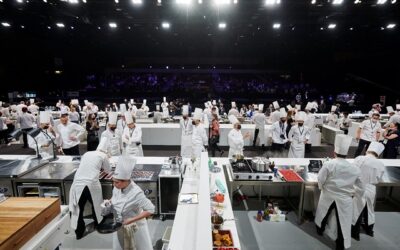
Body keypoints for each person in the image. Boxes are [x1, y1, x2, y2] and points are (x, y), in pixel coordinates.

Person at [315, 134, 364, 250]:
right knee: (344, 222)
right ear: (346, 154)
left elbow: (320, 178)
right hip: (345, 198)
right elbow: (360, 185)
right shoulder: (355, 168)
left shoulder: (329, 164)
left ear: (334, 152)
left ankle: (319, 230)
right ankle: (341, 245)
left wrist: (321, 187)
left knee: (323, 214)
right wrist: (356, 194)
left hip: (328, 194)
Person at [101, 156, 154, 250]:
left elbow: (151, 209)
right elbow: (115, 197)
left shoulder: (136, 193)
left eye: (117, 182)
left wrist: (132, 220)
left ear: (125, 181)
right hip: (119, 224)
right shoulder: (117, 187)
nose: (114, 185)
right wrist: (110, 201)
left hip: (135, 227)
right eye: (113, 182)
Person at [69, 138, 110, 239]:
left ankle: (79, 232)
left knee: (78, 208)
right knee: (96, 205)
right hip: (91, 183)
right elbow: (108, 170)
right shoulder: (103, 155)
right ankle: (98, 224)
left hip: (77, 183)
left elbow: (87, 165)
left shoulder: (87, 153)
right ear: (106, 150)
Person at [352, 142, 385, 241]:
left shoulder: (359, 158)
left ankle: (355, 233)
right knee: (369, 209)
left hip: (359, 187)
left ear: (367, 150)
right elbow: (379, 179)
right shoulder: (380, 164)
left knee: (357, 209)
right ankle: (369, 230)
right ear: (378, 154)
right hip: (371, 188)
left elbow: (353, 172)